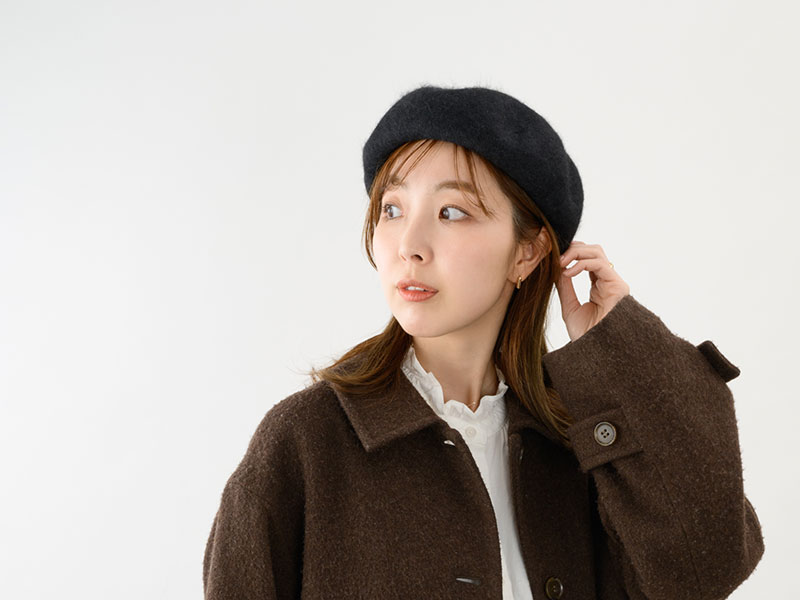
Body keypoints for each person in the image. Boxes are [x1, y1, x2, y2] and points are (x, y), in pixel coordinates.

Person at [202, 85, 764, 599]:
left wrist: (621, 353)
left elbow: (706, 567)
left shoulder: (577, 443)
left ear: (527, 252)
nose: (409, 244)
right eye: (392, 210)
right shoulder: (306, 442)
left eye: (452, 212)